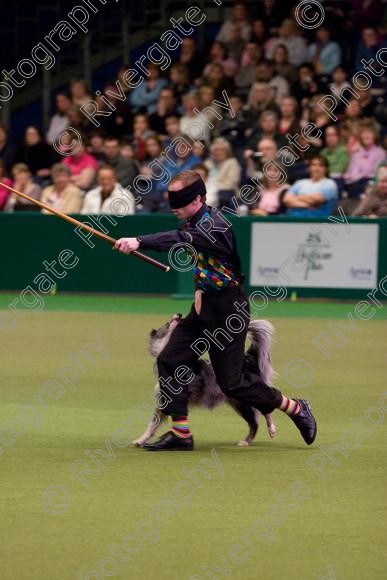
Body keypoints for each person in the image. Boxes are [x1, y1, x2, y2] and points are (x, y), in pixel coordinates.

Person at [114, 170, 317, 451]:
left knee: (231, 383)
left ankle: (294, 407)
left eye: (179, 200)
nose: (173, 206)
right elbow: (190, 250)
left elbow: (180, 239)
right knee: (169, 360)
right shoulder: (190, 222)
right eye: (171, 200)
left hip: (228, 311)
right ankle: (181, 434)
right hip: (202, 308)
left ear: (197, 198)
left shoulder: (215, 226)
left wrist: (139, 241)